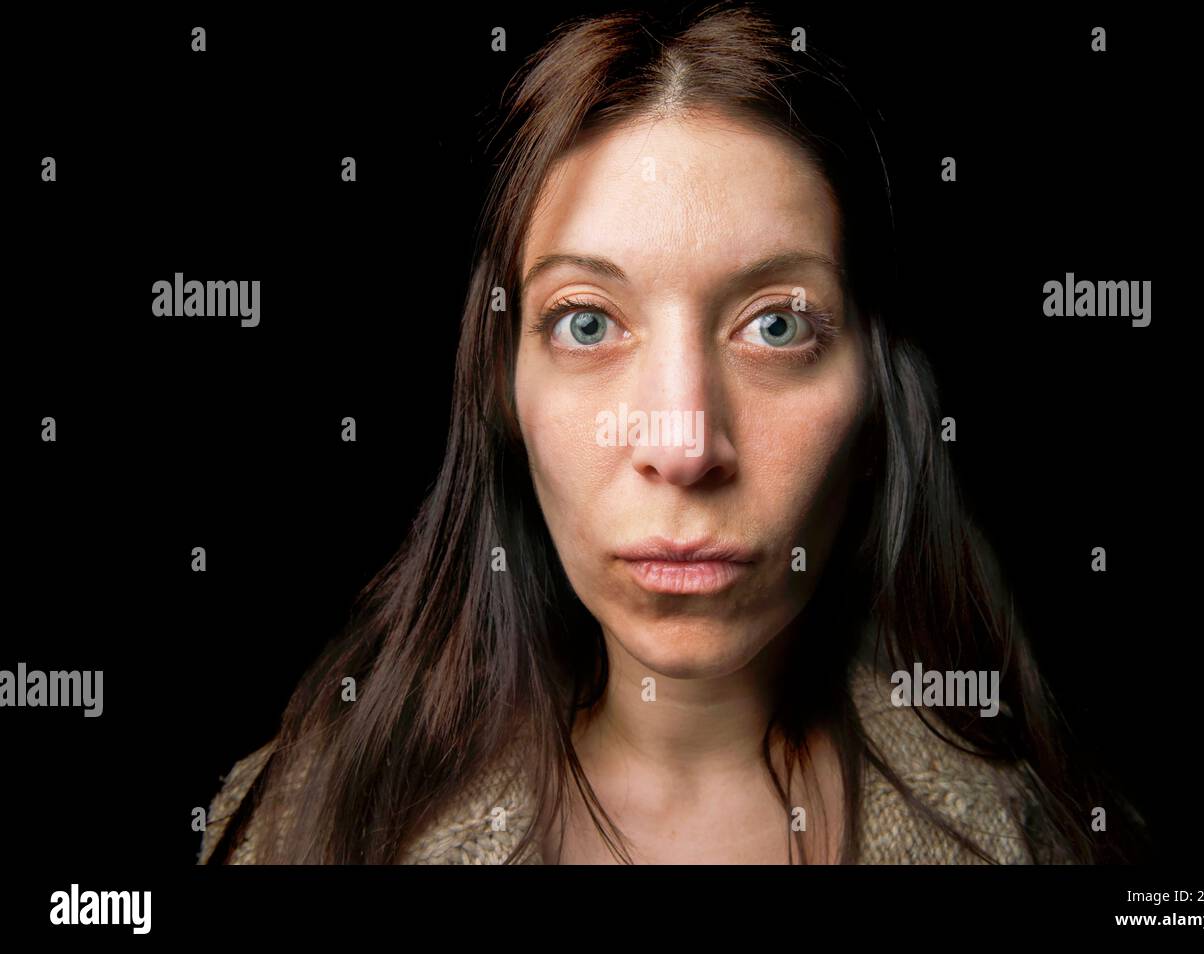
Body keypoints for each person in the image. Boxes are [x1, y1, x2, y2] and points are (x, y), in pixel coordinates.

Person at [200, 1, 1141, 865]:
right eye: (587, 322)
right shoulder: (311, 828)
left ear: (875, 404)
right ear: (502, 391)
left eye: (776, 325)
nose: (684, 446)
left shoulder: (1030, 836)